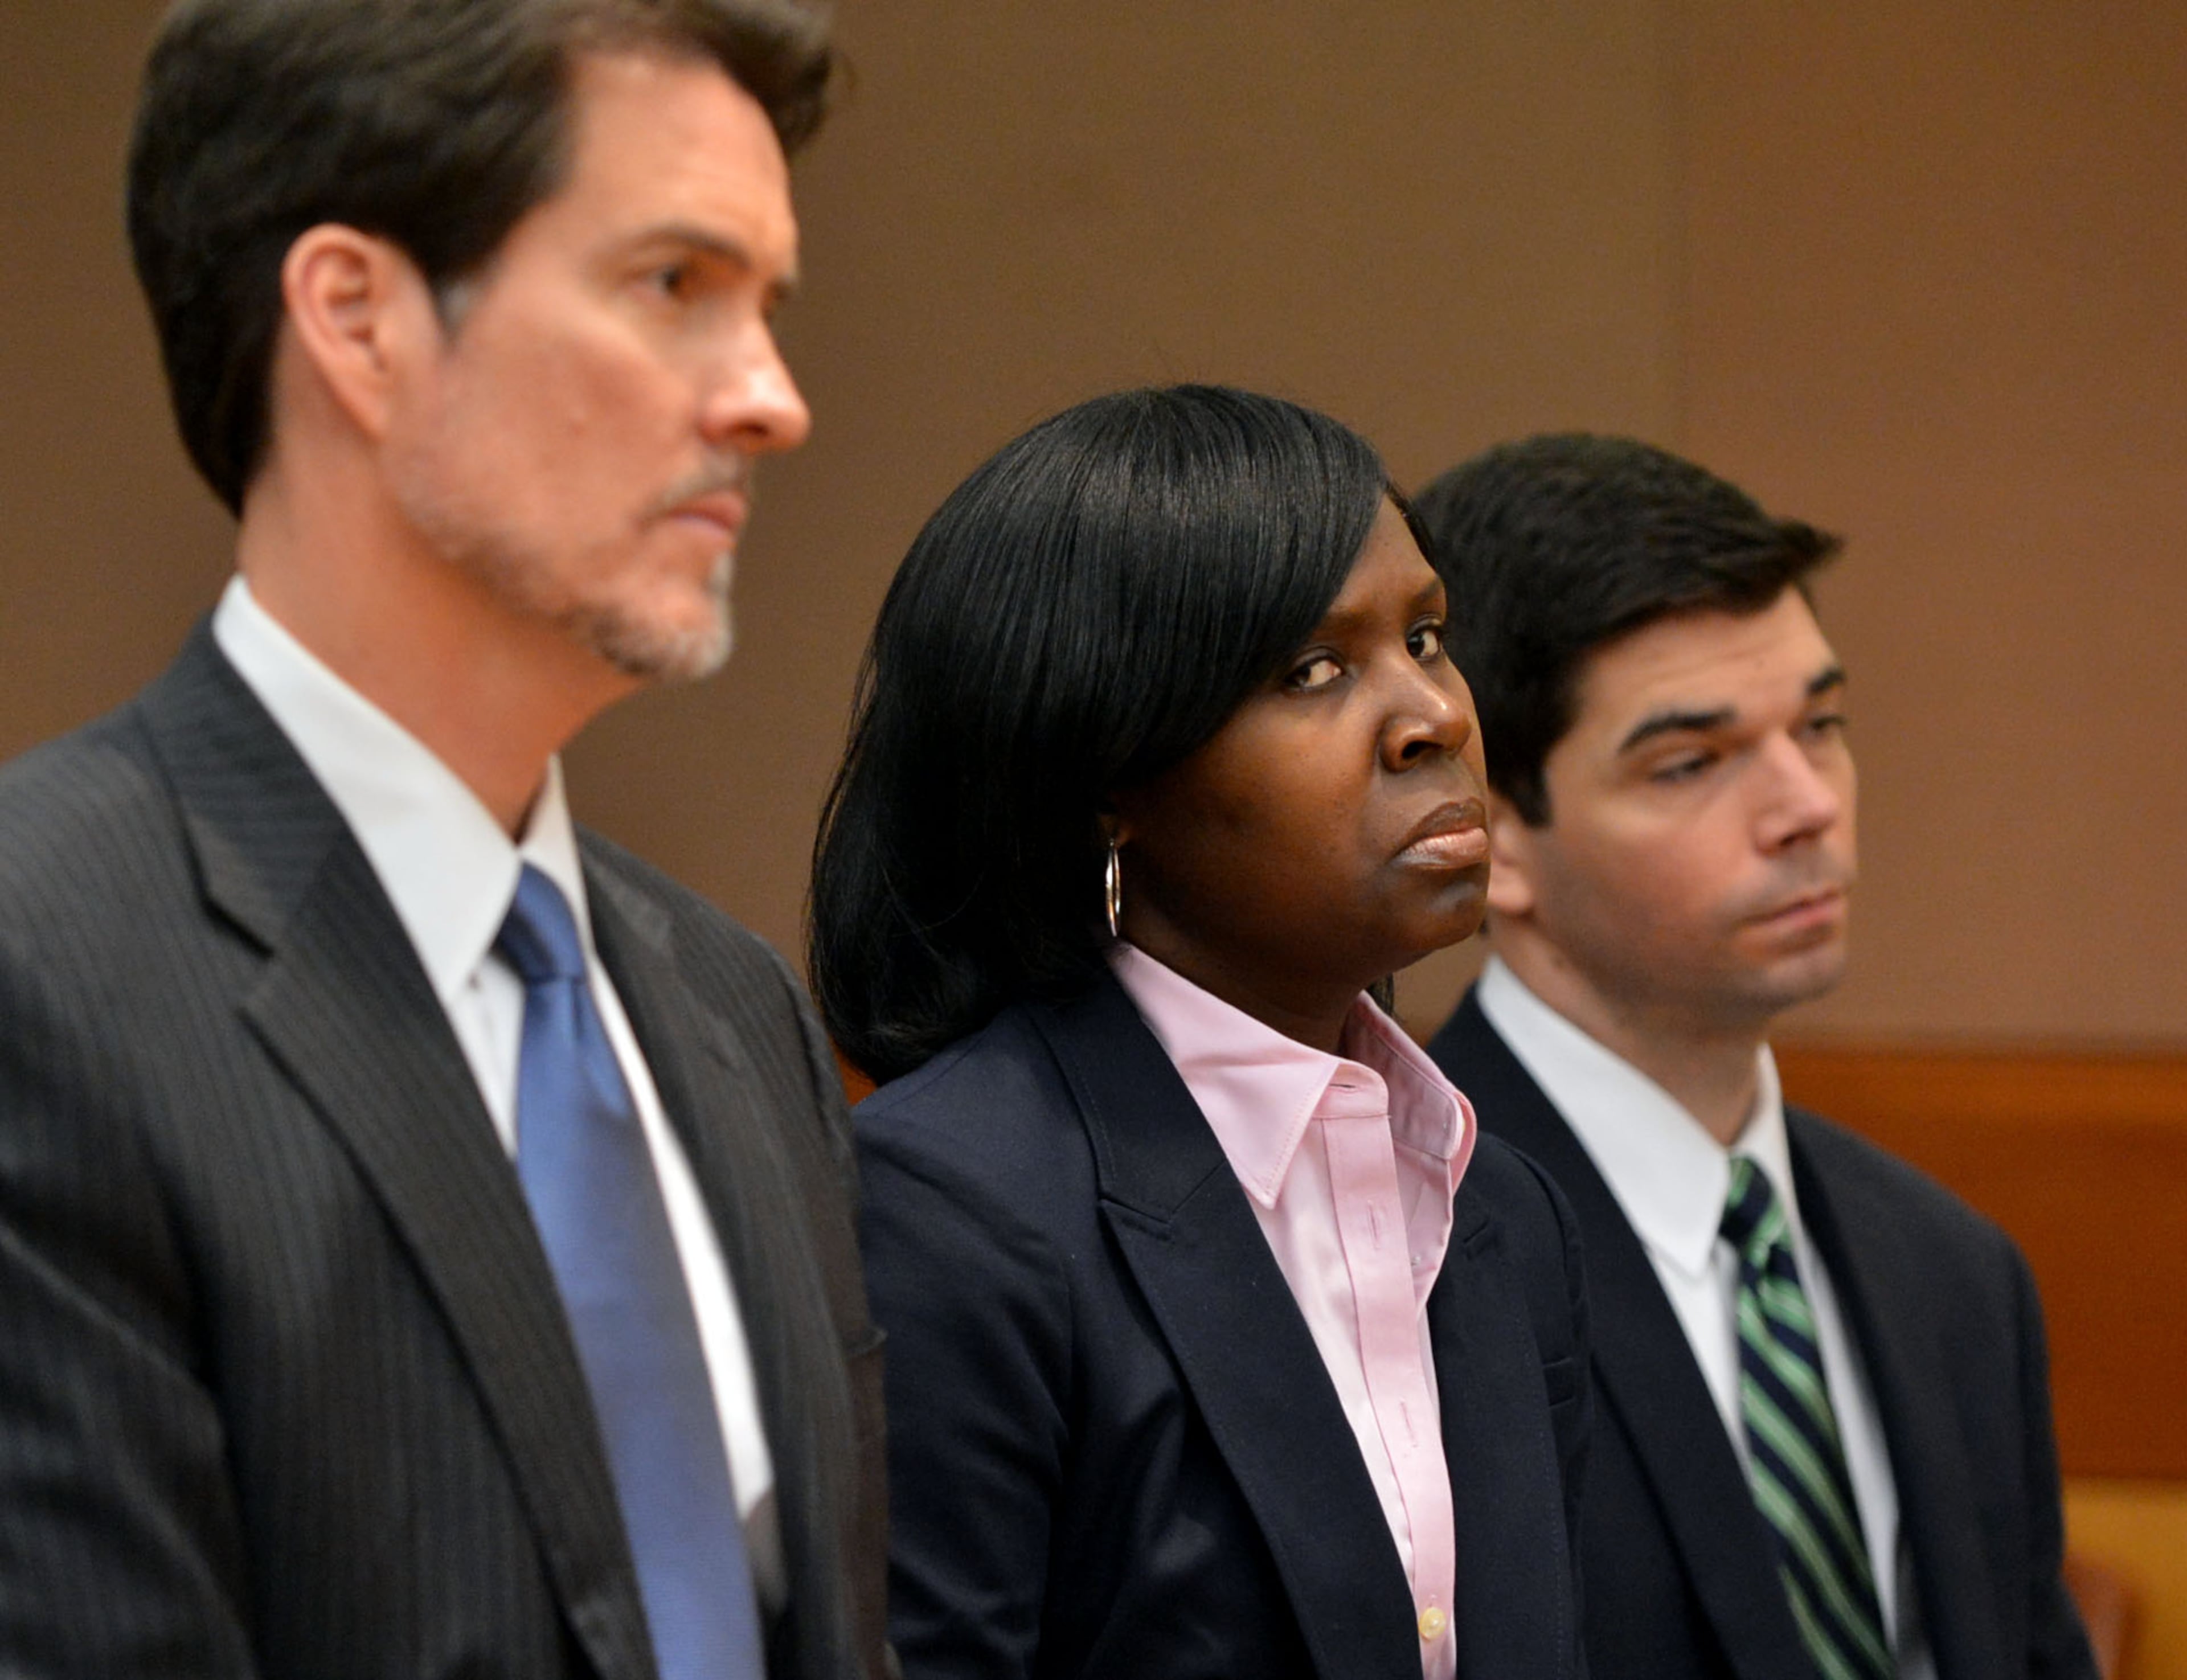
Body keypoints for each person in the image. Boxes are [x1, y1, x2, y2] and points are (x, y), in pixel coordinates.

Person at [0, 3, 887, 1677]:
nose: (774, 398)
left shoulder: (733, 1005)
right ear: (359, 318)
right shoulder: (44, 972)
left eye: (767, 305)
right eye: (674, 285)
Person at [812, 385, 1590, 1680]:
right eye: (1314, 671)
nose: (1434, 715)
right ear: (1108, 781)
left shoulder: (1501, 1207)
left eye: (1429, 637)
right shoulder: (951, 1206)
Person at [1414, 433, 2096, 1680]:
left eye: (1821, 722)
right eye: (1692, 761)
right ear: (1491, 837)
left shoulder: (1954, 1272)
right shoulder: (1396, 1257)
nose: (1807, 804)